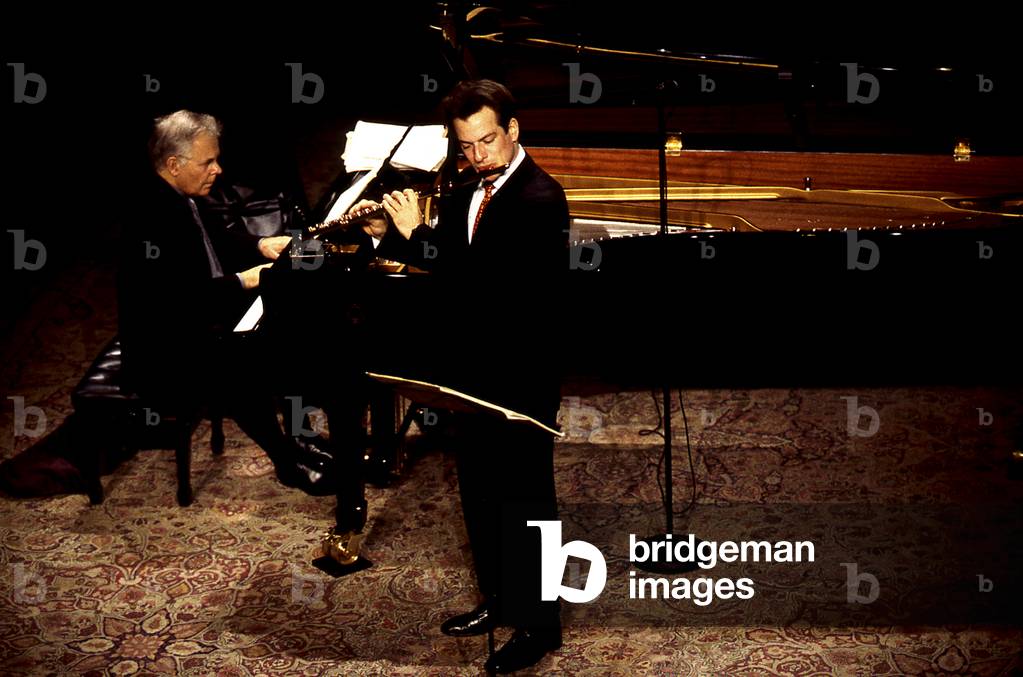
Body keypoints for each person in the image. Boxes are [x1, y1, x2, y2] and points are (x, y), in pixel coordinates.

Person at [353, 79, 568, 674]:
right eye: (467, 146)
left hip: (518, 377)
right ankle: (500, 599)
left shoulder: (540, 200)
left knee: (526, 501)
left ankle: (539, 624)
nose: (479, 156)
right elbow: (448, 257)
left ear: (514, 130)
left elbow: (485, 288)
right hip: (469, 373)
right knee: (478, 493)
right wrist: (385, 234)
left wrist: (415, 236)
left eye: (488, 141)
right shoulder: (472, 188)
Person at [118, 110, 333, 495]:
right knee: (245, 365)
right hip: (164, 349)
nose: (218, 169)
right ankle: (287, 460)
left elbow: (214, 235)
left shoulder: (181, 194)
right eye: (208, 162)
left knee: (290, 331)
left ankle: (302, 439)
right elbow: (181, 301)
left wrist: (259, 245)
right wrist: (244, 279)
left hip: (199, 318)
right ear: (173, 164)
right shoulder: (150, 218)